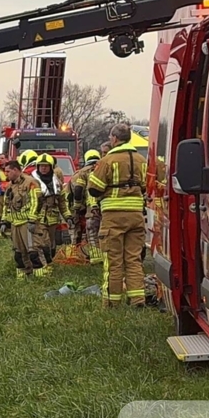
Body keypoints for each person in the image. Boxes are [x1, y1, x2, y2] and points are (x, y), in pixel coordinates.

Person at [88, 124, 149, 307]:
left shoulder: (108, 160)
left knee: (113, 261)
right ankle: (138, 299)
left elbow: (94, 188)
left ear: (114, 138)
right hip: (136, 216)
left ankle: (112, 303)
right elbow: (146, 186)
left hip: (113, 217)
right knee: (133, 259)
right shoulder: (141, 160)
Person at [3, 160, 47, 278]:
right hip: (15, 223)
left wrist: (32, 220)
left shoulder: (30, 182)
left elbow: (36, 201)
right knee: (19, 253)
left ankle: (41, 277)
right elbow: (6, 204)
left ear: (16, 170)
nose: (5, 174)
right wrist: (4, 221)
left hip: (28, 223)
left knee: (34, 252)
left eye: (8, 171)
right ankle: (24, 276)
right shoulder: (10, 186)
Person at [30, 153, 68, 266]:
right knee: (43, 242)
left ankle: (50, 262)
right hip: (38, 217)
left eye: (46, 166)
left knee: (51, 243)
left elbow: (62, 202)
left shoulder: (57, 183)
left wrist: (68, 216)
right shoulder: (32, 182)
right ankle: (44, 265)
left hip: (53, 217)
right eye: (41, 166)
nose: (43, 168)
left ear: (51, 167)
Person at [70, 149, 103, 263]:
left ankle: (96, 257)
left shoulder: (82, 172)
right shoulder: (104, 168)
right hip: (107, 205)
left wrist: (77, 206)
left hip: (92, 207)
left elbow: (78, 189)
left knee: (92, 231)